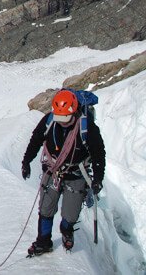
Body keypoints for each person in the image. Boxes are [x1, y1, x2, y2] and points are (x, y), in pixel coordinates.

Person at [21, 89, 105, 256]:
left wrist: (98, 178)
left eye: (66, 119)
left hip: (75, 174)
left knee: (70, 213)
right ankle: (43, 241)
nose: (62, 123)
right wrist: (26, 161)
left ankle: (67, 229)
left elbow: (98, 153)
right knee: (45, 209)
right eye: (60, 119)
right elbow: (36, 140)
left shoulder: (86, 126)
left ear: (73, 112)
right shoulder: (50, 121)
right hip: (52, 171)